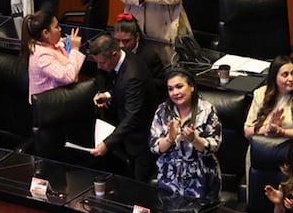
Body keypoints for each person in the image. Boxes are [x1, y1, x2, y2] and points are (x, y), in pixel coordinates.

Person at [88, 34, 158, 179]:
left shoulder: (133, 75)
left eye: (102, 63)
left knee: (139, 187)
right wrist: (108, 95)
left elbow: (133, 117)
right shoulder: (125, 58)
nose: (99, 67)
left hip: (141, 140)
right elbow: (122, 87)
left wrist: (106, 144)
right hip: (128, 135)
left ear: (114, 54)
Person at [150, 68, 222, 201]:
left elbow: (214, 145)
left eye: (179, 87)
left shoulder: (207, 110)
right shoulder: (163, 110)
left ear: (192, 87)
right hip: (169, 178)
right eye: (170, 89)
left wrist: (194, 139)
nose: (175, 92)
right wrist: (170, 138)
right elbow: (155, 147)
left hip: (201, 178)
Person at [245, 55, 293, 141]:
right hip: (262, 149)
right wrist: (267, 129)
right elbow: (247, 131)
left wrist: (282, 132)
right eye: (285, 75)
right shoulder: (260, 93)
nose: (291, 78)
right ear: (274, 77)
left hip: (291, 148)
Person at [22, 10, 84, 101]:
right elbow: (68, 76)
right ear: (45, 33)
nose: (60, 29)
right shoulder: (41, 56)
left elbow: (58, 45)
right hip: (49, 108)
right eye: (56, 27)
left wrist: (65, 42)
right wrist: (75, 49)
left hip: (60, 101)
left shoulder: (47, 45)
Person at [113, 13, 166, 84]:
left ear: (137, 37)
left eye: (126, 41)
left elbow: (160, 84)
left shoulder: (150, 57)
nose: (121, 45)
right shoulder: (111, 52)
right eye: (117, 40)